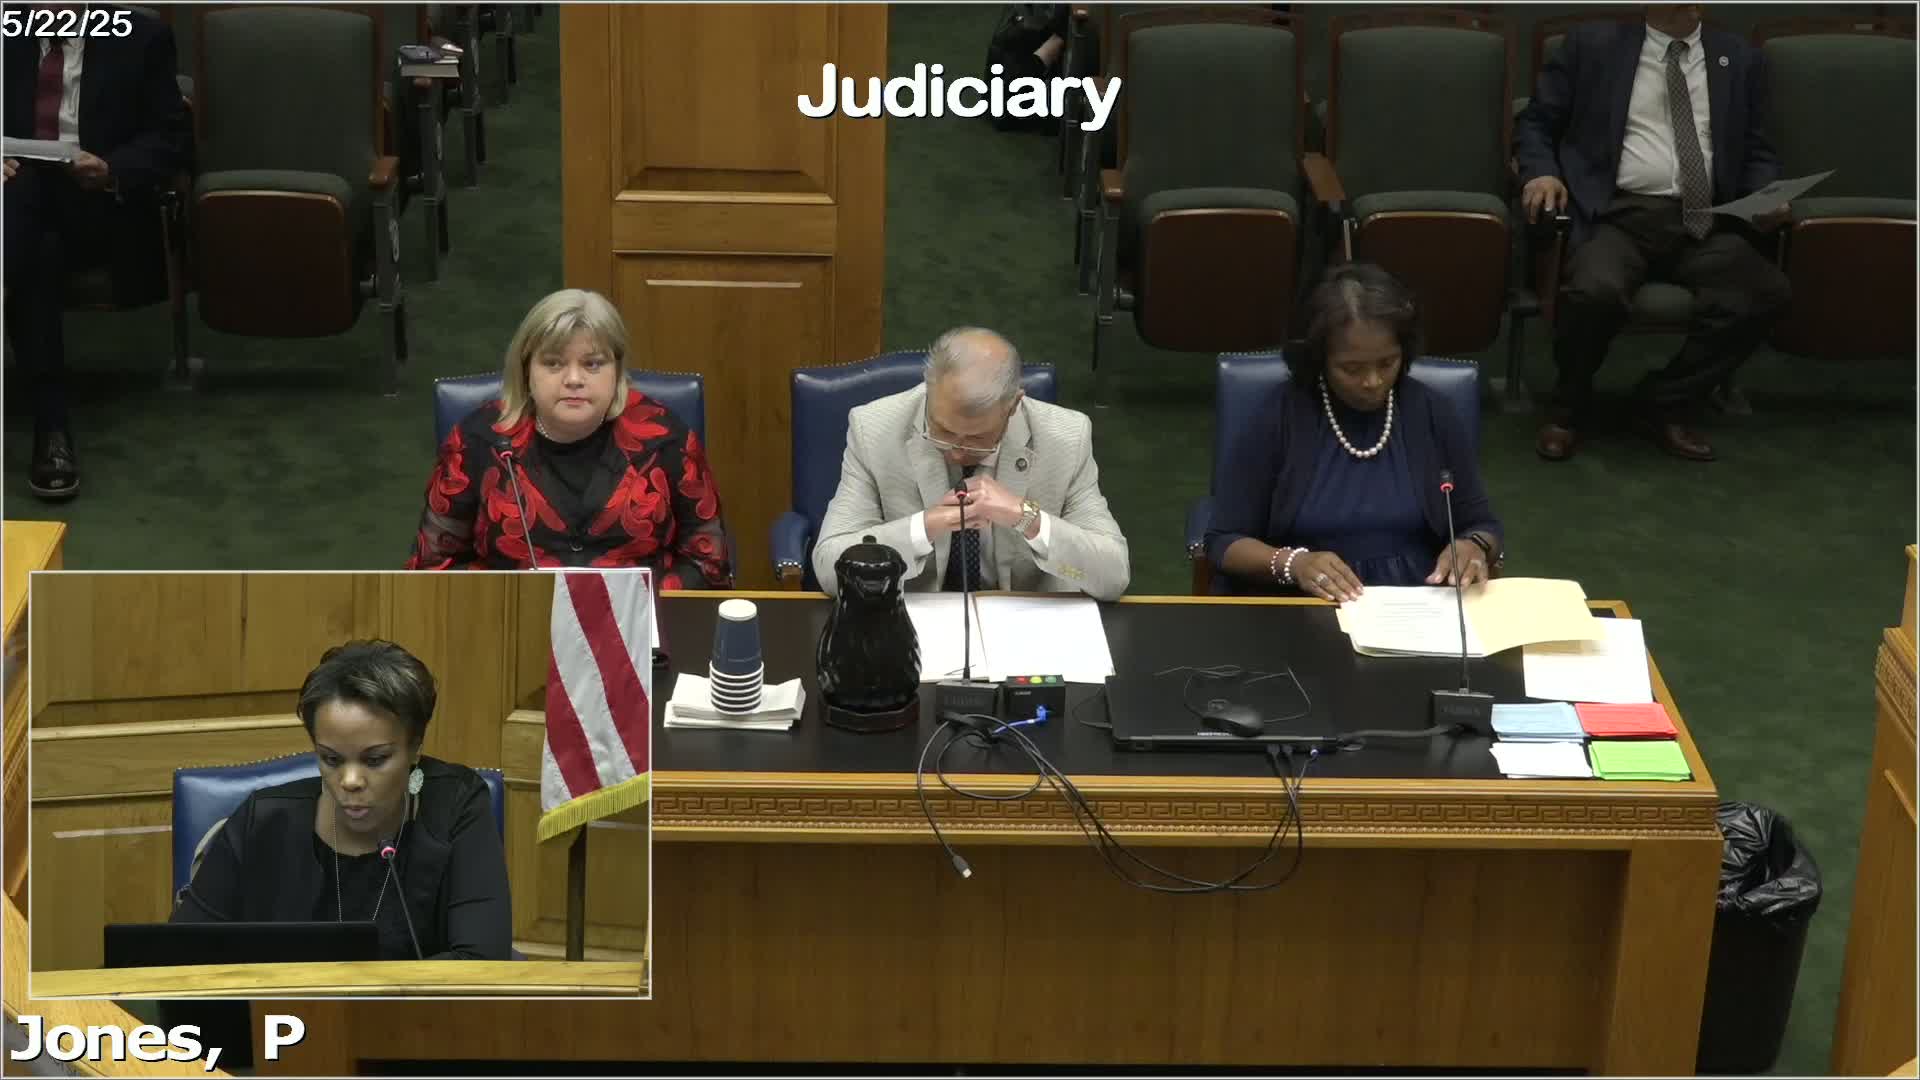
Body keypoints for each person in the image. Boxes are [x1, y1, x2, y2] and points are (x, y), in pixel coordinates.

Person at [1514, 3, 1791, 463]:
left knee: (1765, 292)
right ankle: (1568, 407)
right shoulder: (1593, 47)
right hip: (1616, 215)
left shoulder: (1739, 58)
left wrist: (1766, 193)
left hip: (1702, 220)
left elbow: (1757, 148)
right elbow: (1536, 122)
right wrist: (1541, 172)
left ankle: (1663, 401)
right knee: (1594, 291)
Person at [170, 640, 511, 961]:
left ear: (414, 747)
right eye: (331, 759)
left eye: (375, 760)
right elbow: (180, 958)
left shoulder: (455, 807)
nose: (350, 781)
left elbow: (482, 962)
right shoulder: (262, 822)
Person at [1205, 263, 1503, 601]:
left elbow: (1482, 525)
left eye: (1387, 363)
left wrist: (1472, 546)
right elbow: (1224, 540)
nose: (1372, 381)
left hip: (1419, 603)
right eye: (1352, 368)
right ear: (1319, 358)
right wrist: (1293, 563)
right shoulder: (1278, 416)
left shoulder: (1433, 412)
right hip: (1305, 605)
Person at [405, 288, 733, 583]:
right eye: (553, 364)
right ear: (526, 371)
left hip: (639, 624)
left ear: (617, 371)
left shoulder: (667, 438)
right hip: (512, 621)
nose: (574, 379)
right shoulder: (477, 441)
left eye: (593, 364)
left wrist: (641, 607)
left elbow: (708, 561)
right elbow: (432, 568)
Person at [4, 3, 192, 500]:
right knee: (36, 245)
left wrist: (113, 169)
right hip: (20, 214)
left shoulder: (140, 38)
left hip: (97, 207)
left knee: (26, 212)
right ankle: (51, 431)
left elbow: (173, 139)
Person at [812, 327, 1129, 601]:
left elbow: (1113, 577)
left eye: (977, 439)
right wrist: (925, 527)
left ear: (1013, 406)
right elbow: (828, 570)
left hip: (1022, 628)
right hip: (911, 622)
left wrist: (1026, 517)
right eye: (942, 431)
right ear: (928, 390)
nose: (957, 453)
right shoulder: (873, 430)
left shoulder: (1067, 437)